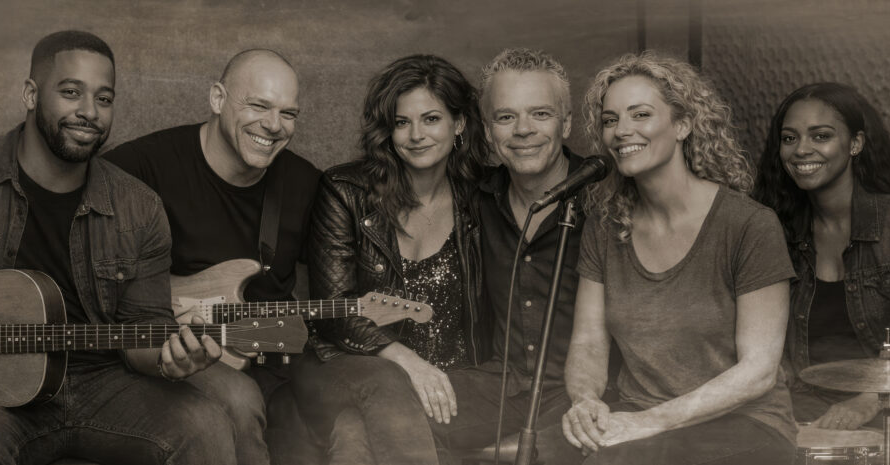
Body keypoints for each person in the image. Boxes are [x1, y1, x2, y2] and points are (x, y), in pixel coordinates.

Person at [0, 31, 237, 464]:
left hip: (102, 380)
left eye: (104, 99)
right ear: (30, 93)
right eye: (70, 92)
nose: (88, 112)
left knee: (207, 426)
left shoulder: (139, 207)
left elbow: (144, 326)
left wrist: (170, 360)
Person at [554, 52, 797, 464]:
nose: (621, 131)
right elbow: (589, 341)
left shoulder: (749, 225)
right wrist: (585, 401)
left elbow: (758, 371)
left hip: (744, 425)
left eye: (640, 114)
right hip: (637, 420)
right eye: (610, 120)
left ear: (683, 124)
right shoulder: (605, 225)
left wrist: (649, 422)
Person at [104, 49, 321, 464]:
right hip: (155, 355)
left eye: (288, 113)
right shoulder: (139, 167)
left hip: (266, 357)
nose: (274, 126)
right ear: (218, 99)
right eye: (258, 105)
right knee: (238, 403)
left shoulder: (302, 184)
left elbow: (339, 276)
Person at [293, 53, 491, 465]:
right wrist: (405, 360)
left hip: (450, 376)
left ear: (459, 124)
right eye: (402, 122)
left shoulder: (482, 197)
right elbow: (336, 311)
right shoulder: (345, 190)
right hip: (353, 366)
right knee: (385, 389)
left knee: (353, 433)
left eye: (431, 119)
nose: (416, 134)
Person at [428, 48, 587, 464]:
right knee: (385, 412)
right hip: (501, 384)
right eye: (505, 117)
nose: (522, 130)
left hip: (587, 394)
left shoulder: (606, 199)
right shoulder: (473, 199)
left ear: (567, 122)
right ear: (486, 128)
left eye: (540, 114)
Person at [754, 82, 890, 444]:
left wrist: (868, 402)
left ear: (855, 144)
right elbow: (760, 337)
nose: (802, 149)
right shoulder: (773, 227)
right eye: (789, 139)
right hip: (802, 411)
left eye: (821, 136)